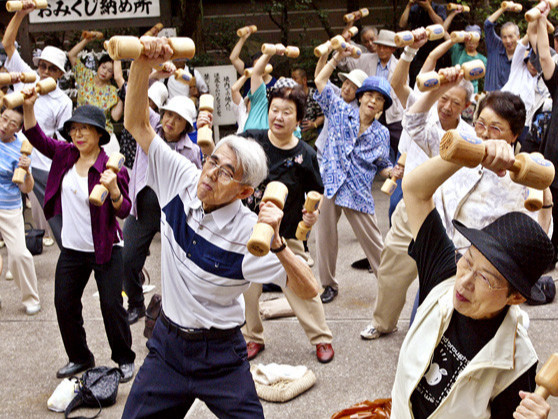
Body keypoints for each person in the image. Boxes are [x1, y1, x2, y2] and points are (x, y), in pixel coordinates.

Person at [121, 37, 319, 418]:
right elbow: (136, 124)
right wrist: (142, 63)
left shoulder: (251, 236)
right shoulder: (182, 175)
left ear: (245, 191)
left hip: (221, 355)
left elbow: (309, 289)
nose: (210, 174)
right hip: (168, 346)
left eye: (225, 172)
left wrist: (278, 245)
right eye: (212, 161)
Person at [360, 66, 552, 341]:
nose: (485, 134)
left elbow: (539, 240)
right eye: (481, 124)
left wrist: (545, 203)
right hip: (439, 256)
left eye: (496, 128)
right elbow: (413, 122)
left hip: (480, 275)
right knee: (422, 333)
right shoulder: (462, 145)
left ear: (513, 135)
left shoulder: (524, 177)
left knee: (464, 345)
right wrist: (439, 88)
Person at [391, 138, 553, 418]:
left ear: (515, 297)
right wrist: (473, 153)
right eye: (467, 260)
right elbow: (414, 190)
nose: (464, 282)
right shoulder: (443, 274)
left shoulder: (516, 362)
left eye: (486, 279)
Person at [21, 94, 135, 381]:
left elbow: (124, 209)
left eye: (85, 128)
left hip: (105, 247)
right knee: (64, 302)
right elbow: (36, 137)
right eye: (73, 128)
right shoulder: (65, 154)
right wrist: (28, 105)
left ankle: (124, 358)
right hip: (72, 248)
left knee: (111, 305)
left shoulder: (111, 166)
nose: (78, 134)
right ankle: (80, 356)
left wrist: (114, 191)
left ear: (99, 133)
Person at [236, 83, 334, 363]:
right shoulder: (251, 140)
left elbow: (317, 194)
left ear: (299, 118)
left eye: (287, 112)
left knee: (302, 286)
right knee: (245, 288)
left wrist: (312, 214)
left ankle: (321, 338)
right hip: (248, 230)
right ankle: (252, 337)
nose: (278, 117)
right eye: (274, 110)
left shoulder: (306, 155)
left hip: (287, 234)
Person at [313, 46, 394, 304]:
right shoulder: (338, 110)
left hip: (358, 191)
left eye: (378, 98)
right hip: (332, 183)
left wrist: (394, 171)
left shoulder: (381, 133)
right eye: (368, 95)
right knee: (325, 238)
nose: (372, 100)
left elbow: (382, 163)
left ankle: (390, 285)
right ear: (360, 97)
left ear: (382, 106)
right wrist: (336, 56)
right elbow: (319, 80)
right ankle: (328, 284)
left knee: (374, 243)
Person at [123, 93, 202, 325]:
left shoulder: (191, 150)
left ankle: (180, 309)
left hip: (173, 212)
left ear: (186, 126)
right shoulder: (146, 131)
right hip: (143, 207)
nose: (170, 121)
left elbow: (195, 184)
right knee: (127, 259)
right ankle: (135, 304)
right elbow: (135, 100)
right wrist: (154, 70)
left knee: (181, 263)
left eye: (178, 119)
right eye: (168, 114)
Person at [2, 0, 72, 248]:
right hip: (8, 148)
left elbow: (63, 141)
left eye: (51, 69)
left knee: (55, 214)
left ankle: (71, 252)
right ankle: (14, 254)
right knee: (8, 206)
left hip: (41, 163)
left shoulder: (62, 101)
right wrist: (21, 13)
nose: (44, 72)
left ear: (60, 75)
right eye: (42, 65)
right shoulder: (25, 78)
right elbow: (8, 45)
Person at [0, 106, 40, 315]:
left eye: (12, 124)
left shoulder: (20, 148)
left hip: (9, 207)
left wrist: (26, 170)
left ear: (18, 128)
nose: (5, 126)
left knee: (18, 254)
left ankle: (31, 297)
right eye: (3, 118)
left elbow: (27, 188)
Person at [502, 20, 550, 151]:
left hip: (525, 121)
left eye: (537, 64)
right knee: (503, 146)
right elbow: (522, 44)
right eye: (531, 62)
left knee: (528, 150)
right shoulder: (518, 67)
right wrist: (535, 24)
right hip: (506, 112)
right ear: (527, 60)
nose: (533, 66)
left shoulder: (541, 80)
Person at [536, 6, 558, 261]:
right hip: (555, 158)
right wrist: (541, 20)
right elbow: (544, 57)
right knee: (550, 206)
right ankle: (547, 255)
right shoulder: (557, 80)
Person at [68, 35, 123, 135]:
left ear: (113, 74)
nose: (105, 72)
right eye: (103, 67)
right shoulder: (85, 76)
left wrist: (122, 98)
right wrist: (86, 40)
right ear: (98, 66)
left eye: (110, 70)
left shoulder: (112, 91)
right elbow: (71, 55)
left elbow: (115, 117)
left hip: (103, 132)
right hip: (81, 130)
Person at [484, 3, 521, 91]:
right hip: (490, 99)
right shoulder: (495, 46)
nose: (508, 41)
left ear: (518, 37)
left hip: (509, 101)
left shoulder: (522, 55)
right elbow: (487, 24)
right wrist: (503, 8)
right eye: (504, 37)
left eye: (511, 36)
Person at [291, 67, 324, 147]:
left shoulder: (314, 94)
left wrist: (314, 124)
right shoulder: (292, 95)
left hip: (312, 134)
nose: (293, 82)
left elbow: (322, 116)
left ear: (304, 80)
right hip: (294, 134)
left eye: (295, 79)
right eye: (292, 79)